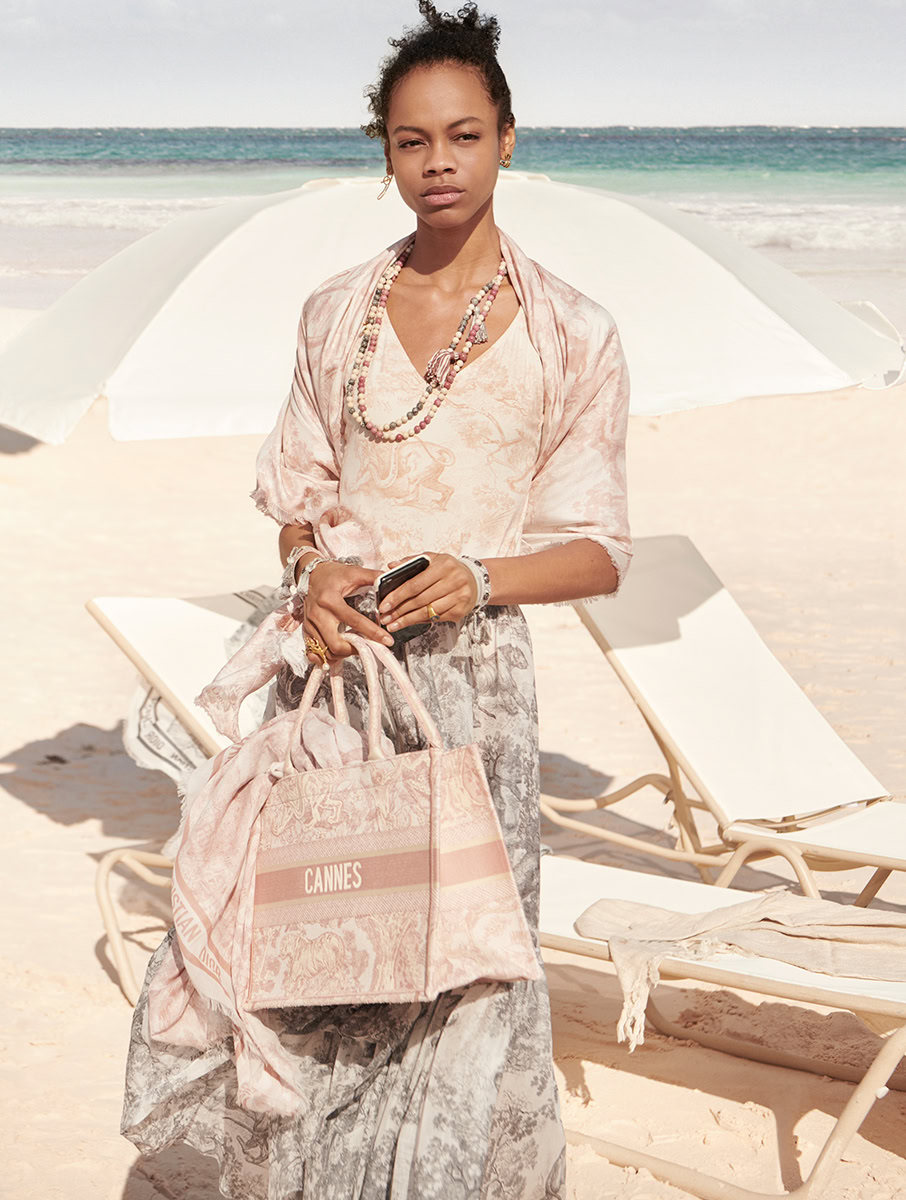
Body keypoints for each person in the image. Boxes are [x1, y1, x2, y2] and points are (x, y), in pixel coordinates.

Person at [120, 3, 632, 1196]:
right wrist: (309, 575)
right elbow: (299, 496)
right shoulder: (334, 312)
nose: (438, 162)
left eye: (464, 135)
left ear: (508, 138)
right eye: (412, 141)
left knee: (459, 972)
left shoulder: (573, 330)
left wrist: (480, 576)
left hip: (474, 696)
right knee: (315, 957)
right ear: (386, 153)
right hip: (337, 681)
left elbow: (600, 552)